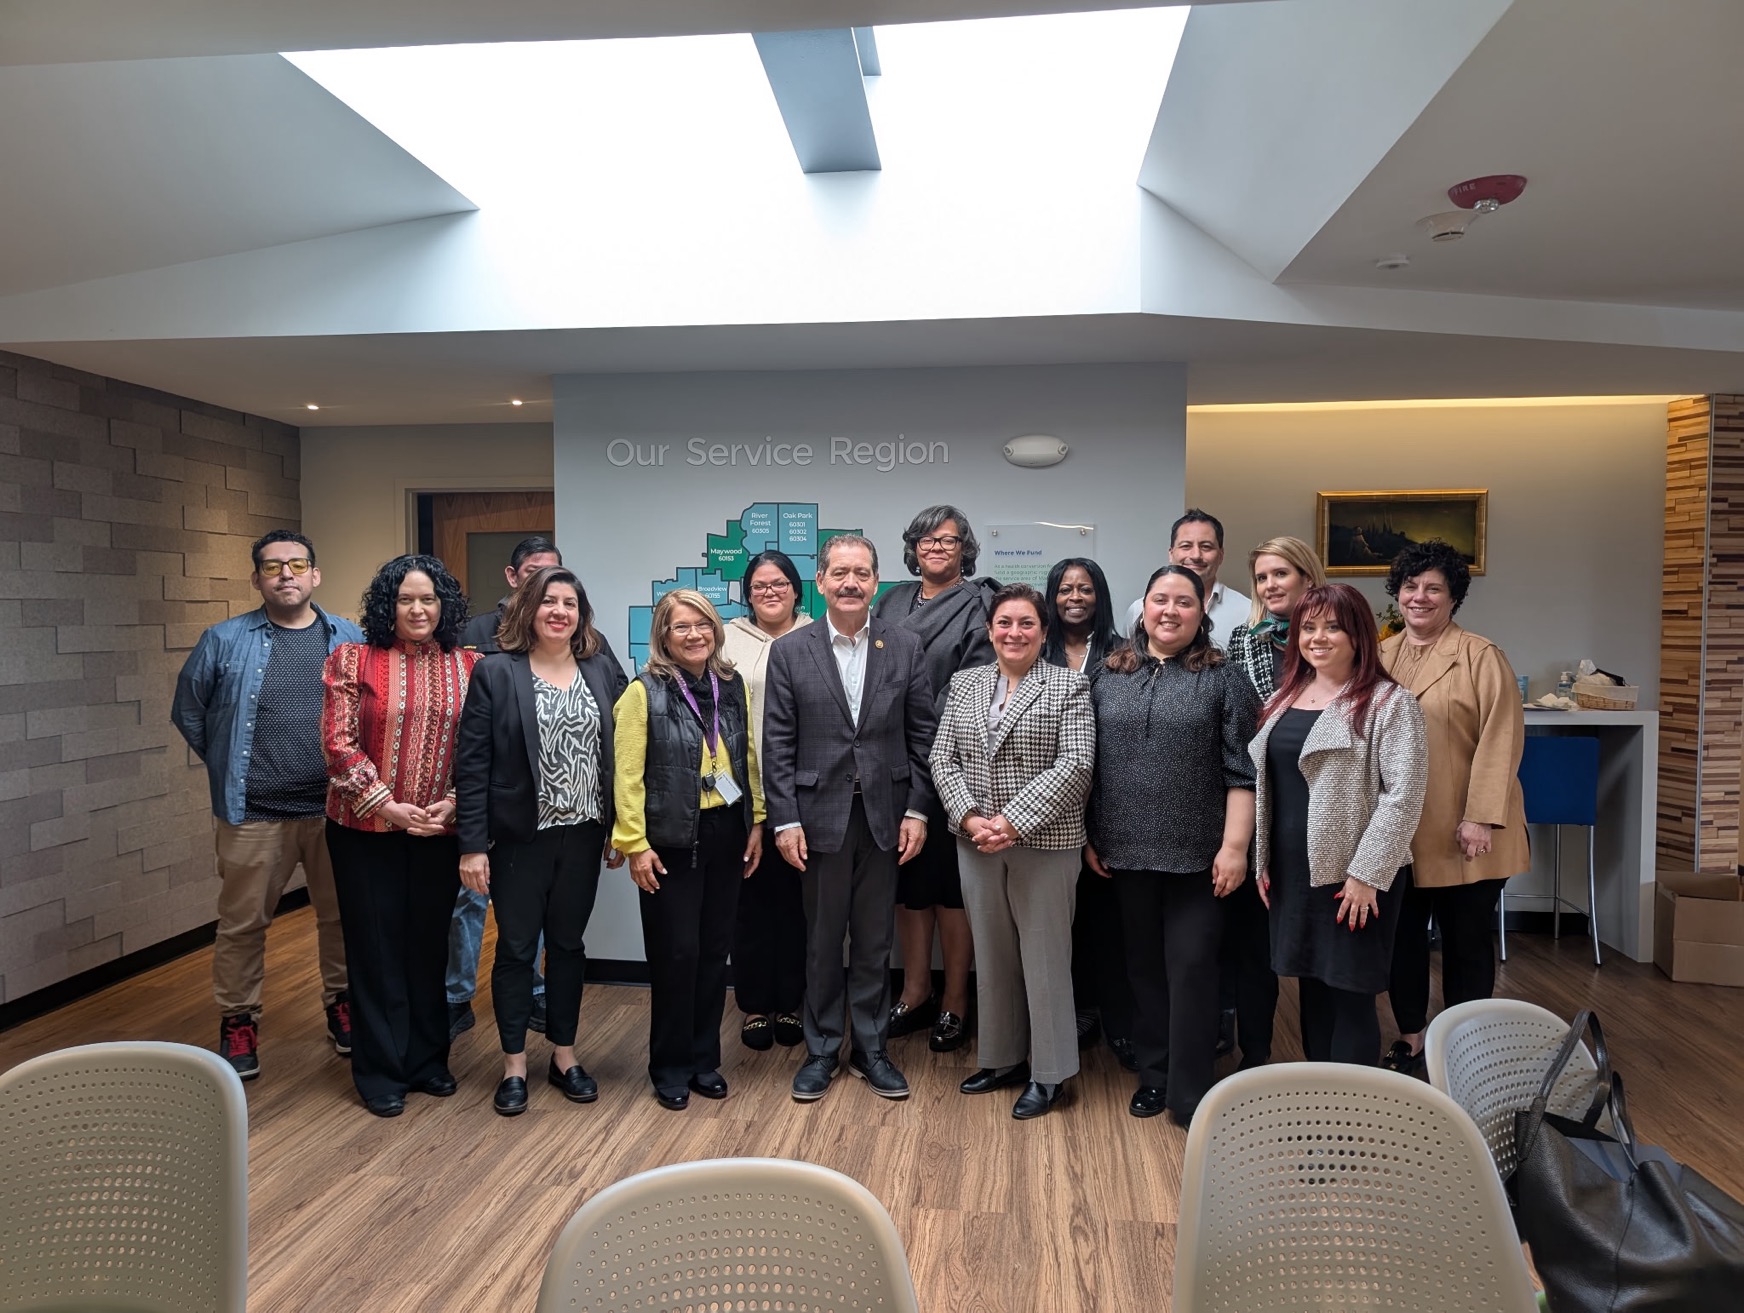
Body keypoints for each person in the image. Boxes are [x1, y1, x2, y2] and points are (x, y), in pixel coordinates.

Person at [171, 531, 364, 1080]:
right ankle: (239, 1020)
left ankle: (342, 1005)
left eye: (297, 564)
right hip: (253, 813)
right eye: (272, 566)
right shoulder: (223, 640)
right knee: (241, 925)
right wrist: (231, 763)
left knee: (342, 918)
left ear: (315, 575)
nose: (286, 574)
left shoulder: (349, 638)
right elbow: (190, 712)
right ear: (257, 578)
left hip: (335, 811)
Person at [763, 534, 937, 1103]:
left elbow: (921, 735)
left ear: (875, 581)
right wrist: (784, 821)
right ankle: (821, 1049)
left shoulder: (904, 645)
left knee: (874, 938)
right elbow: (778, 744)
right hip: (817, 819)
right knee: (821, 938)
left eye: (862, 573)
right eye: (839, 573)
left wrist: (917, 807)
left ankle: (870, 1048)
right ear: (820, 582)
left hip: (885, 815)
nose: (850, 583)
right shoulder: (792, 650)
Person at [1086, 565, 1259, 1125]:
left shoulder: (1226, 678)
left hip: (1201, 859)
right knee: (1143, 969)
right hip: (1124, 853)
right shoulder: (1110, 674)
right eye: (1160, 600)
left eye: (1182, 602)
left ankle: (1190, 1090)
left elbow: (1244, 773)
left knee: (1191, 967)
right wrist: (1092, 835)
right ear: (1143, 608)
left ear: (1200, 612)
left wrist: (1235, 848)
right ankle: (1155, 1076)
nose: (1169, 611)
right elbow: (1089, 765)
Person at [455, 566, 626, 1117]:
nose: (559, 611)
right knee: (516, 950)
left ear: (581, 614)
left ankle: (564, 1055)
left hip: (582, 836)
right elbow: (472, 763)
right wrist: (472, 845)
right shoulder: (497, 673)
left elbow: (623, 753)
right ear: (527, 609)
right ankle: (513, 1065)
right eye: (549, 601)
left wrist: (622, 826)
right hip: (518, 840)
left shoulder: (600, 669)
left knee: (569, 948)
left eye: (570, 604)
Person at [322, 554, 478, 1117]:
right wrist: (389, 807)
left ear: (445, 607)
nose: (418, 609)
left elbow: (479, 750)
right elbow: (338, 745)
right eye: (406, 599)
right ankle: (381, 1069)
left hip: (438, 828)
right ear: (388, 605)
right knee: (377, 948)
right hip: (365, 829)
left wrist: (454, 804)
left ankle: (428, 1060)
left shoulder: (470, 665)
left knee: (427, 945)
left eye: (429, 599)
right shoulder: (352, 660)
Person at [931, 583, 1095, 1119]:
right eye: (1005, 623)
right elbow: (942, 758)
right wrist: (971, 818)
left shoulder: (1068, 687)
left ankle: (1051, 1074)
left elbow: (1075, 765)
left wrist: (1012, 821)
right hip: (975, 841)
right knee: (993, 953)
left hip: (1043, 842)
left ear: (1044, 632)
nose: (1014, 632)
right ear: (990, 631)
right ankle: (1000, 1058)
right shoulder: (965, 683)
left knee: (1046, 959)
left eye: (1026, 623)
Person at [1249, 583, 1428, 1067]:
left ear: (1358, 636)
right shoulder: (1288, 694)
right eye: (1308, 628)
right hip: (1293, 873)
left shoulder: (1390, 702)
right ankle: (1321, 1104)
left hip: (1353, 879)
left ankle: (1353, 1122)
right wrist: (1262, 860)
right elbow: (1272, 785)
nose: (1318, 638)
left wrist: (1367, 874)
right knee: (1312, 990)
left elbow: (1404, 796)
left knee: (1350, 995)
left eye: (1333, 627)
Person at [1378, 540, 1530, 1075]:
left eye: (1433, 588)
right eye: (1410, 586)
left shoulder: (1481, 656)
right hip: (1401, 832)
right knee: (1402, 940)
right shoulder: (1382, 654)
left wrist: (1480, 817)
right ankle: (1413, 1035)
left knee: (1465, 941)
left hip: (1465, 830)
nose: (1419, 597)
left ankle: (1466, 1044)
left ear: (1453, 597)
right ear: (1397, 594)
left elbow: (1502, 738)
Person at [612, 589, 764, 1111]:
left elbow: (746, 759)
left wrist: (756, 821)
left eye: (702, 623)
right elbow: (627, 777)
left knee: (712, 951)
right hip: (670, 840)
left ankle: (705, 1061)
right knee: (676, 955)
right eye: (682, 627)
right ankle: (670, 1064)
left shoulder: (730, 682)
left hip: (726, 831)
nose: (695, 634)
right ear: (664, 636)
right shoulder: (642, 692)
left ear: (715, 629)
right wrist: (634, 844)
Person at [870, 505, 999, 1053]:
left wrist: (914, 716)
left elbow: (972, 680)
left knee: (952, 889)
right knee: (910, 886)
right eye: (926, 539)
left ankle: (955, 1000)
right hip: (890, 759)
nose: (937, 547)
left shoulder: (980, 603)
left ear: (964, 547)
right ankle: (915, 990)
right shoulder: (891, 601)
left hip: (953, 757)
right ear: (913, 546)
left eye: (948, 540)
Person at [1217, 535, 1329, 1070]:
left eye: (1281, 574)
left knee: (1316, 943)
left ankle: (1322, 1061)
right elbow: (1248, 721)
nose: (1270, 585)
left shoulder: (1337, 638)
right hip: (1262, 803)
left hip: (1324, 807)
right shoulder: (1243, 640)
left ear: (1308, 577)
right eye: (1262, 577)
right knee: (1254, 945)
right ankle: (1255, 1055)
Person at [448, 534, 564, 1041]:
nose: (543, 585)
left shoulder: (571, 634)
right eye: (534, 573)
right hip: (480, 794)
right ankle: (456, 996)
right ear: (513, 577)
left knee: (532, 904)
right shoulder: (470, 633)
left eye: (553, 574)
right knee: (468, 900)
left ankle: (534, 989)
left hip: (539, 801)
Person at [1040, 556, 1136, 1071]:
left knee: (1108, 923)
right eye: (1064, 589)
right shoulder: (1036, 651)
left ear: (1099, 595)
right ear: (1052, 596)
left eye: (1085, 589)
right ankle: (1072, 1015)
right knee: (1060, 924)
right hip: (1048, 810)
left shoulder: (1125, 653)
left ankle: (1116, 1020)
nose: (1074, 597)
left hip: (1109, 805)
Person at [721, 550, 813, 1053]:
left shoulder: (817, 636)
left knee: (799, 907)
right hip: (741, 793)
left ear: (798, 589)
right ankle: (755, 1005)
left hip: (807, 793)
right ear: (747, 592)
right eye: (759, 585)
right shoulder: (728, 638)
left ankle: (792, 1002)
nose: (770, 592)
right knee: (750, 905)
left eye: (780, 583)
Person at [1123, 509, 1252, 649]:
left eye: (1206, 547)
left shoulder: (1247, 612)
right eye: (1186, 546)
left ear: (1221, 555)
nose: (1196, 555)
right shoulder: (1138, 610)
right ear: (1171, 554)